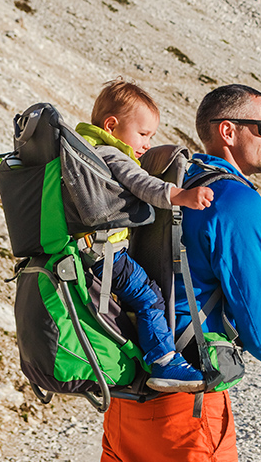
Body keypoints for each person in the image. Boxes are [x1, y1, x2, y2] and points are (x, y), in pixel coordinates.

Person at [97, 83, 261, 462]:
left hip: (124, 403)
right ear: (228, 131)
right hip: (184, 408)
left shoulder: (164, 180)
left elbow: (191, 285)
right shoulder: (235, 200)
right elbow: (254, 314)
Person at [76, 78, 215, 393]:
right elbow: (142, 184)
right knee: (149, 296)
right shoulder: (112, 156)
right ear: (111, 126)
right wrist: (180, 195)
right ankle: (164, 360)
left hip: (88, 253)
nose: (147, 144)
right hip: (108, 255)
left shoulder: (84, 150)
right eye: (143, 134)